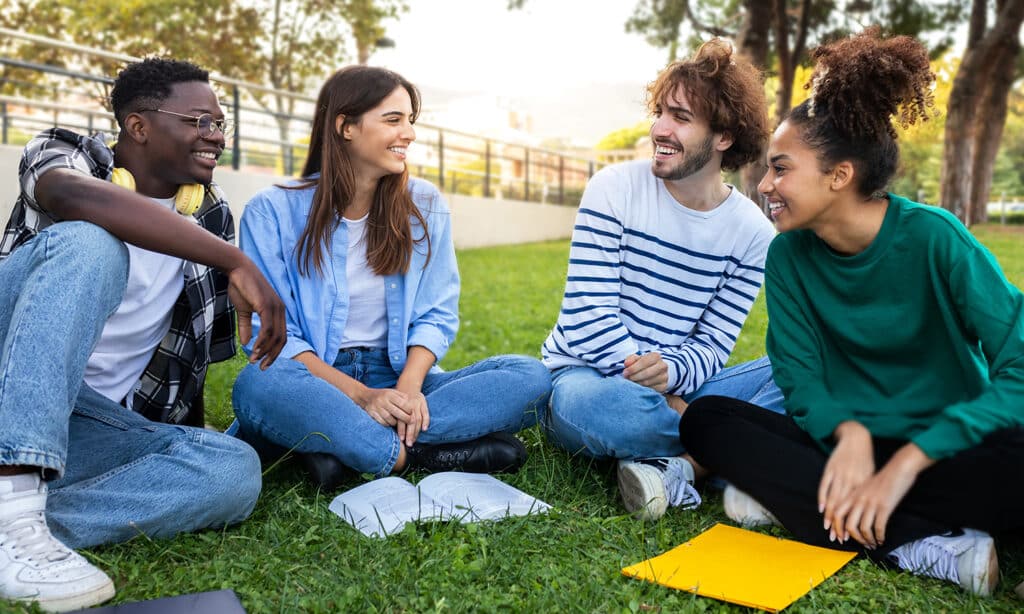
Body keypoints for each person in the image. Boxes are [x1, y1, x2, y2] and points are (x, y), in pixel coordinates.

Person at [680, 29, 1024, 596]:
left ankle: (804, 504)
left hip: (946, 449)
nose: (765, 185)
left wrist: (907, 462)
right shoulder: (787, 256)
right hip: (844, 453)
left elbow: (1018, 365)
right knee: (708, 420)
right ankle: (921, 543)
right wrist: (851, 434)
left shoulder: (936, 239)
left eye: (781, 168)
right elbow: (798, 378)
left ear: (839, 176)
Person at [0, 58, 286, 611]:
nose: (216, 136)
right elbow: (74, 198)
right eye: (200, 121)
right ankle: (13, 500)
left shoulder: (211, 213)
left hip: (85, 425)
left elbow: (191, 370)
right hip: (8, 381)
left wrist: (188, 446)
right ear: (138, 126)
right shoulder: (65, 154)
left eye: (220, 124)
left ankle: (22, 518)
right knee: (92, 244)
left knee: (232, 467)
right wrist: (235, 261)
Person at [231, 65, 551, 486]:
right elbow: (272, 337)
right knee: (259, 384)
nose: (410, 134)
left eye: (410, 121)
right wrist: (362, 397)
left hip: (397, 376)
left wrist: (409, 390)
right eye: (393, 120)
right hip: (315, 380)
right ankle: (408, 455)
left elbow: (436, 314)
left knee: (529, 376)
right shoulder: (271, 211)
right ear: (345, 126)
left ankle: (337, 448)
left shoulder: (424, 203)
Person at [540, 39, 781, 521]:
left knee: (794, 373)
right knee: (598, 407)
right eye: (660, 113)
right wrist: (665, 397)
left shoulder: (754, 233)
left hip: (681, 391)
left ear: (724, 138)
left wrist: (671, 378)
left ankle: (683, 466)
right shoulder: (614, 189)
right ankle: (742, 454)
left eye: (681, 118)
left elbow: (713, 346)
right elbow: (589, 316)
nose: (659, 129)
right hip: (587, 379)